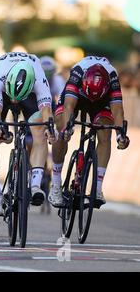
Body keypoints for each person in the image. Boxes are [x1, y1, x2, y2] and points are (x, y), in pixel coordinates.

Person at [0, 52, 57, 227]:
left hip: (28, 94)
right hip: (4, 91)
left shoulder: (38, 76)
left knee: (41, 128)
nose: (15, 101)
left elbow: (46, 111)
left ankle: (36, 185)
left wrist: (50, 129)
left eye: (17, 98)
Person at [49, 56, 130, 209]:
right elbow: (68, 107)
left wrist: (120, 135)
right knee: (61, 128)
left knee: (105, 133)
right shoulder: (78, 73)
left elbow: (118, 110)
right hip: (78, 96)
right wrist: (68, 128)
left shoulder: (112, 78)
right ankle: (56, 183)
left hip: (102, 101)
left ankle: (98, 188)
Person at [39, 56, 66, 214]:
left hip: (52, 106)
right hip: (37, 106)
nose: (48, 77)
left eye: (50, 74)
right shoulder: (36, 78)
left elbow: (61, 102)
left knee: (58, 116)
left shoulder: (57, 81)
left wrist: (59, 126)